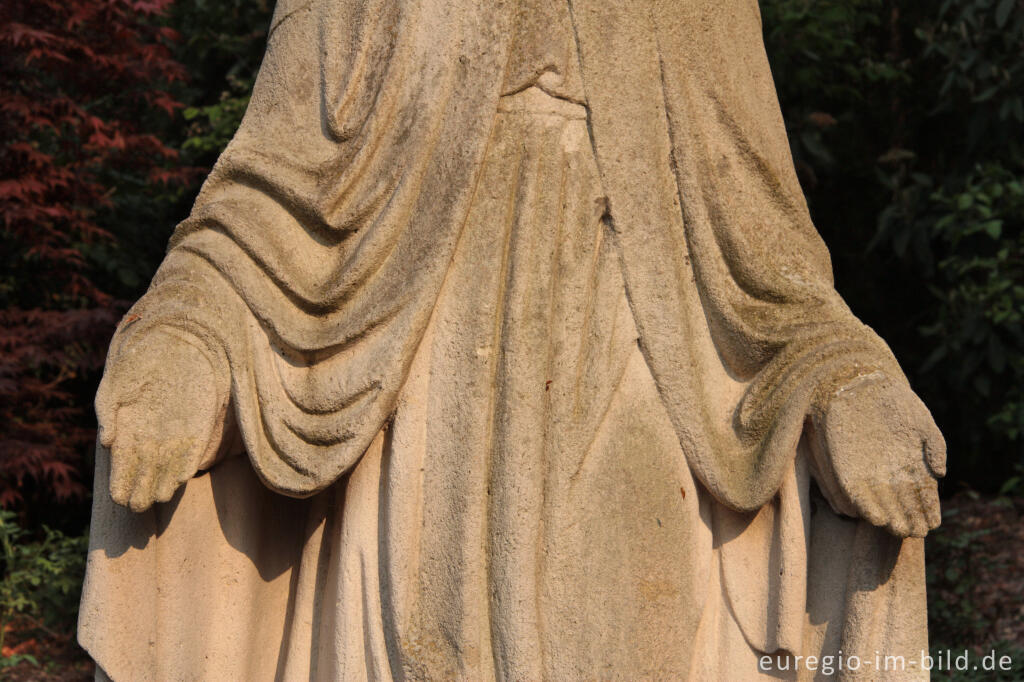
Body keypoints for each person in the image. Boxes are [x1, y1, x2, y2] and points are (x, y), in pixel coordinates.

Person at [78, 0, 946, 679]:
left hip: (635, 357)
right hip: (412, 385)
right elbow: (267, 199)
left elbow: (767, 258)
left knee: (623, 621)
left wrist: (849, 386)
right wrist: (187, 341)